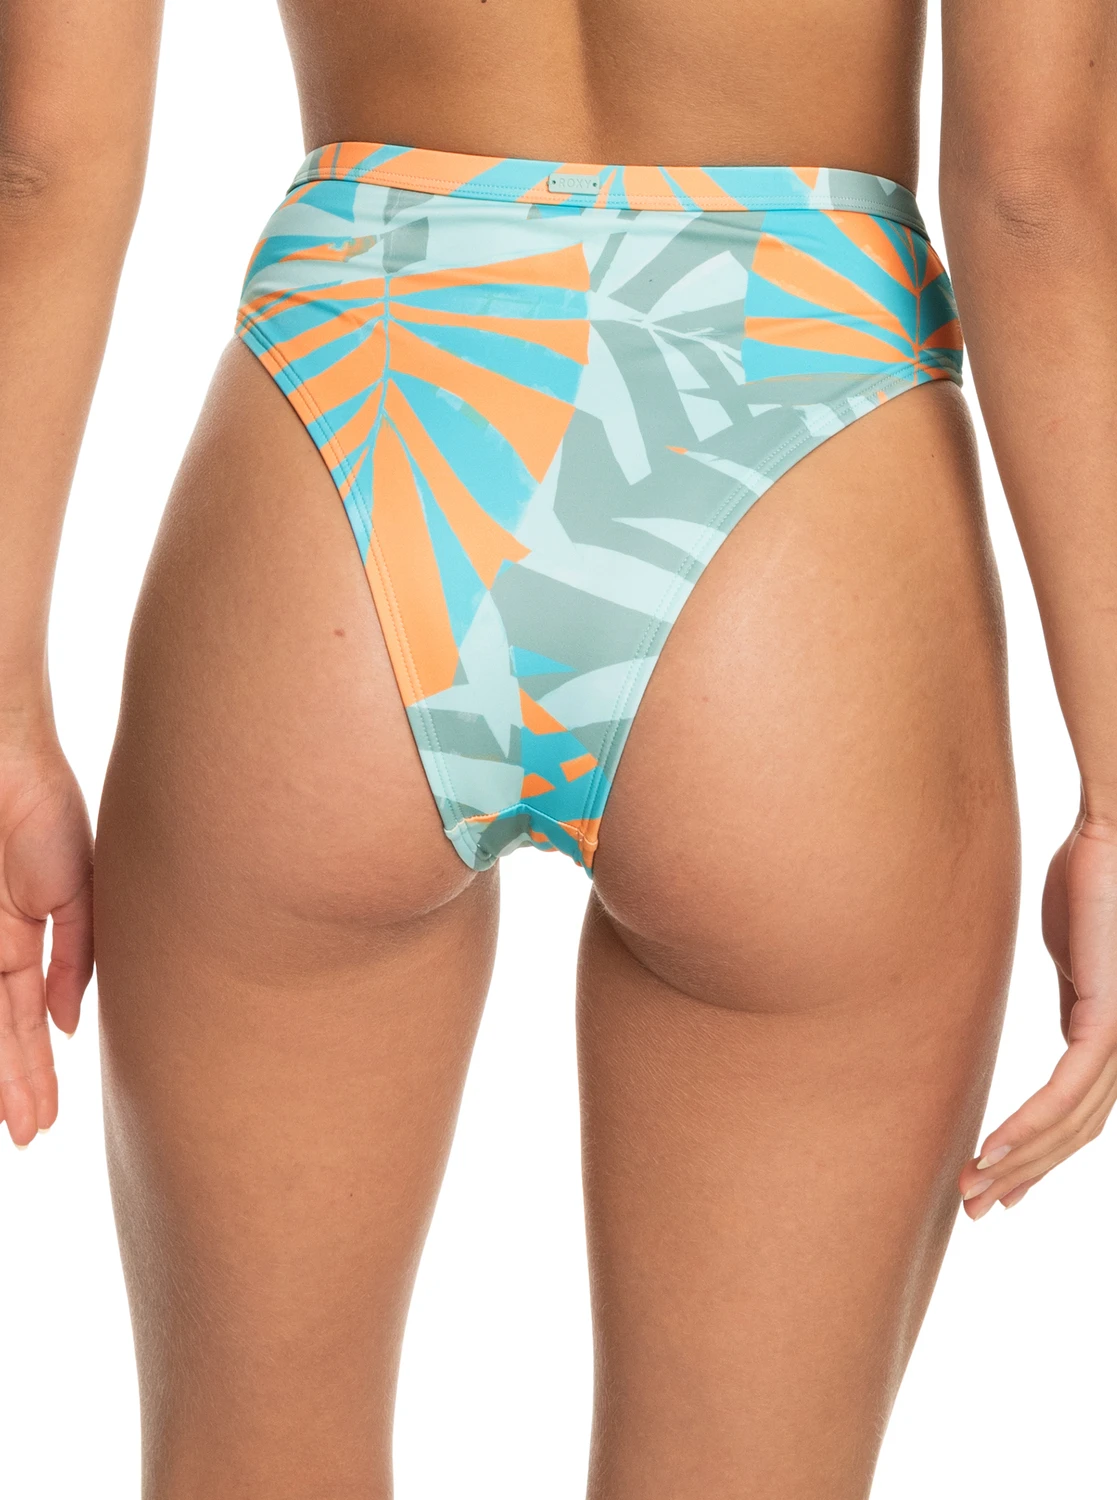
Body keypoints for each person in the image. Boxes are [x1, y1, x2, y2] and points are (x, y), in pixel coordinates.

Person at [2, 0, 1115, 1493]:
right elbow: (1037, 192)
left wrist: (4, 713)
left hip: (359, 411)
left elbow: (36, 158)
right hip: (804, 453)